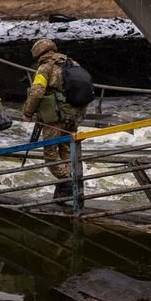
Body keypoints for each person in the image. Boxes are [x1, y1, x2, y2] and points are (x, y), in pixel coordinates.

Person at [22, 39, 88, 199]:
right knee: (66, 149)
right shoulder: (72, 63)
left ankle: (67, 183)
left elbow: (37, 92)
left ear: (38, 53)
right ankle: (72, 185)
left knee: (50, 154)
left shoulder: (45, 68)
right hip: (73, 115)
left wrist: (28, 112)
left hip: (55, 118)